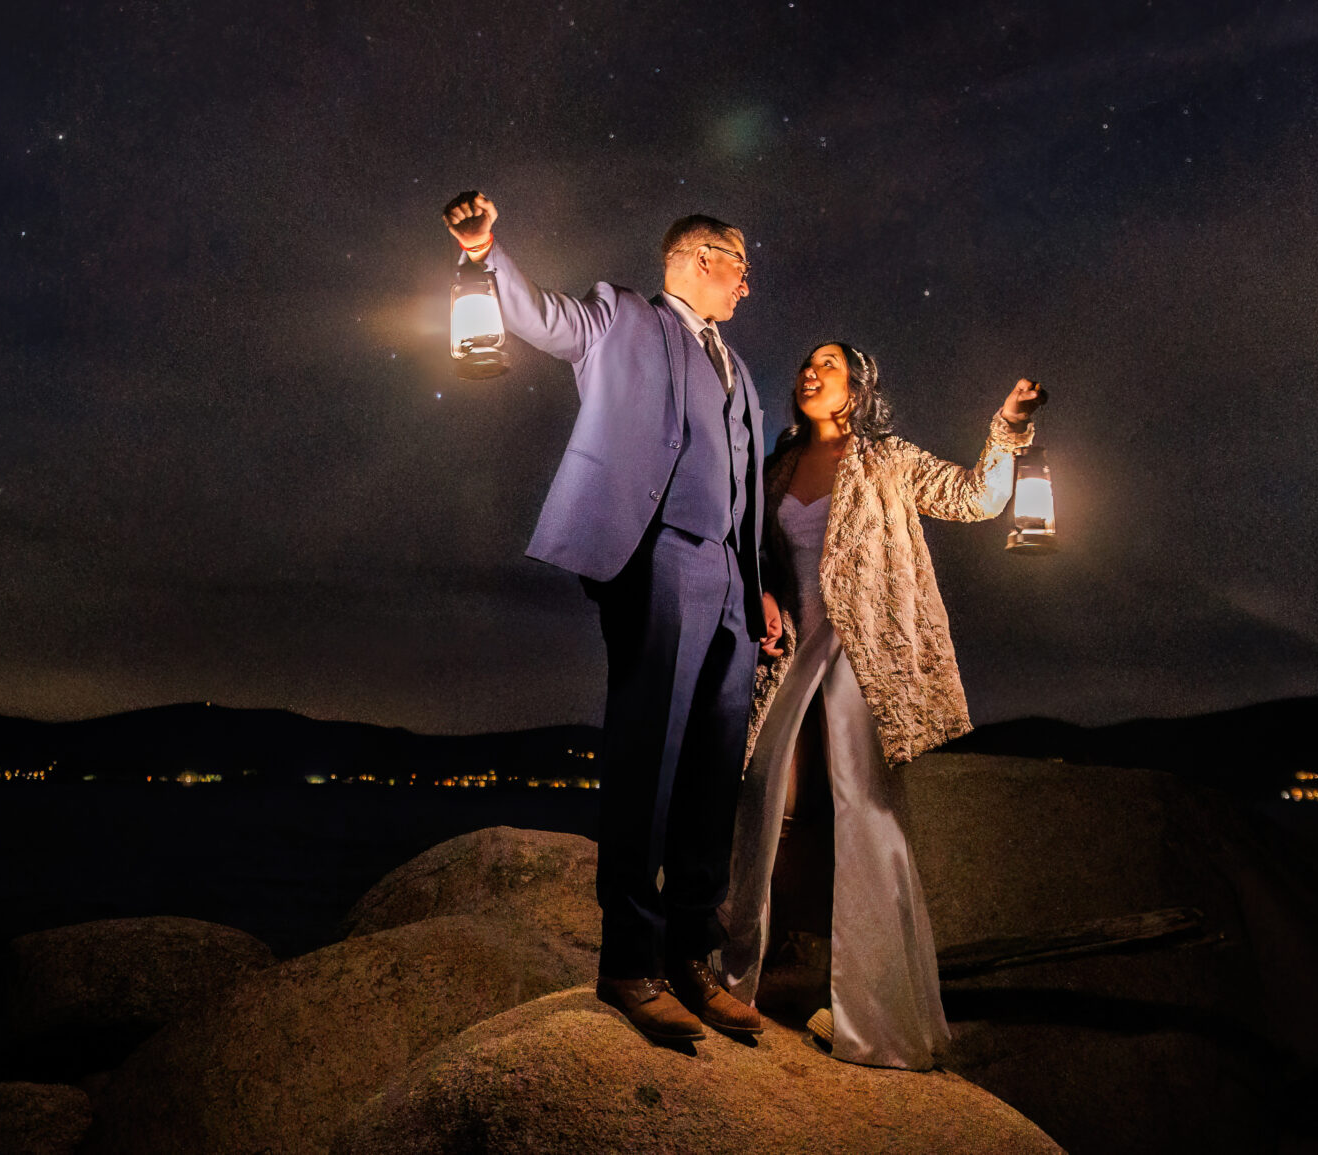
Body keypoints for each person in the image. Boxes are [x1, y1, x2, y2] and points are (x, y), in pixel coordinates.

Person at [441, 191, 782, 1046]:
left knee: (713, 771)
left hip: (733, 581)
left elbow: (742, 480)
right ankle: (630, 963)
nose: (747, 287)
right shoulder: (619, 317)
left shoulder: (736, 364)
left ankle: (693, 957)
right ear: (700, 260)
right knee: (649, 759)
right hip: (658, 557)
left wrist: (759, 581)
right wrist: (485, 254)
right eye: (741, 268)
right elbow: (537, 316)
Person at [720, 341, 1043, 1069]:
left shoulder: (887, 458)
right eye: (805, 361)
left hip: (864, 658)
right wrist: (758, 597)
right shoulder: (770, 471)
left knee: (865, 813)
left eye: (828, 363)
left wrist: (1007, 428)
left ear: (858, 387)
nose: (810, 370)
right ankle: (732, 977)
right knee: (758, 800)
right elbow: (750, 555)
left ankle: (871, 1011)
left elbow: (976, 498)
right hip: (786, 657)